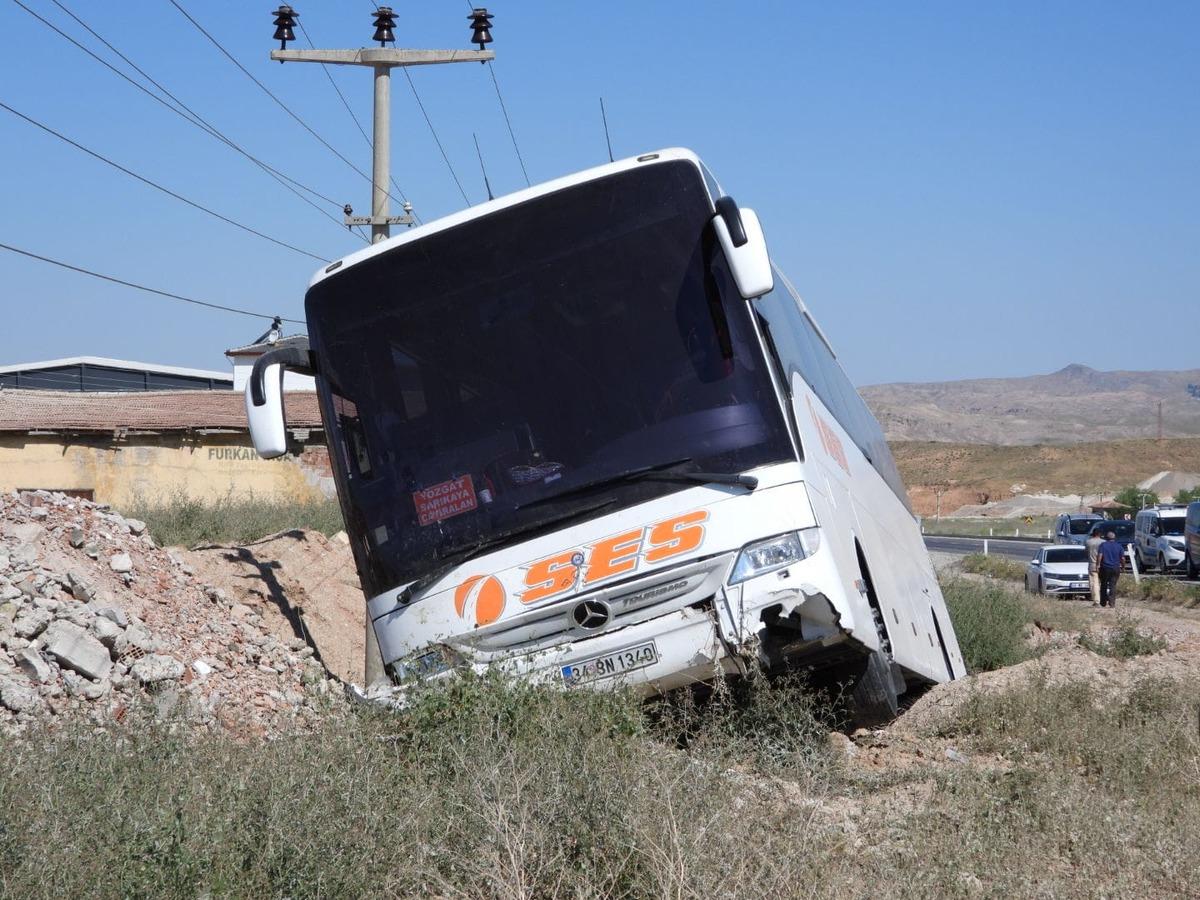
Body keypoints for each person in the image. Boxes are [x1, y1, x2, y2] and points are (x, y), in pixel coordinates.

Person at [1097, 530, 1124, 607]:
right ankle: (1112, 603)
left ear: (1106, 538)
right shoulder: (1119, 546)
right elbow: (1122, 558)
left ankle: (1103, 602)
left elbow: (1100, 555)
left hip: (1105, 567)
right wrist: (1123, 566)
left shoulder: (1103, 545)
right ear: (1114, 538)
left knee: (1104, 584)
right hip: (1115, 568)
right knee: (1113, 585)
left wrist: (1098, 565)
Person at [1085, 525, 1105, 608]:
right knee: (1103, 583)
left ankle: (1096, 601)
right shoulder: (1103, 542)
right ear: (1100, 534)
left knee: (1094, 583)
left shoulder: (1088, 542)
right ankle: (1104, 599)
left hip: (1092, 564)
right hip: (1103, 564)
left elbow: (1086, 553)